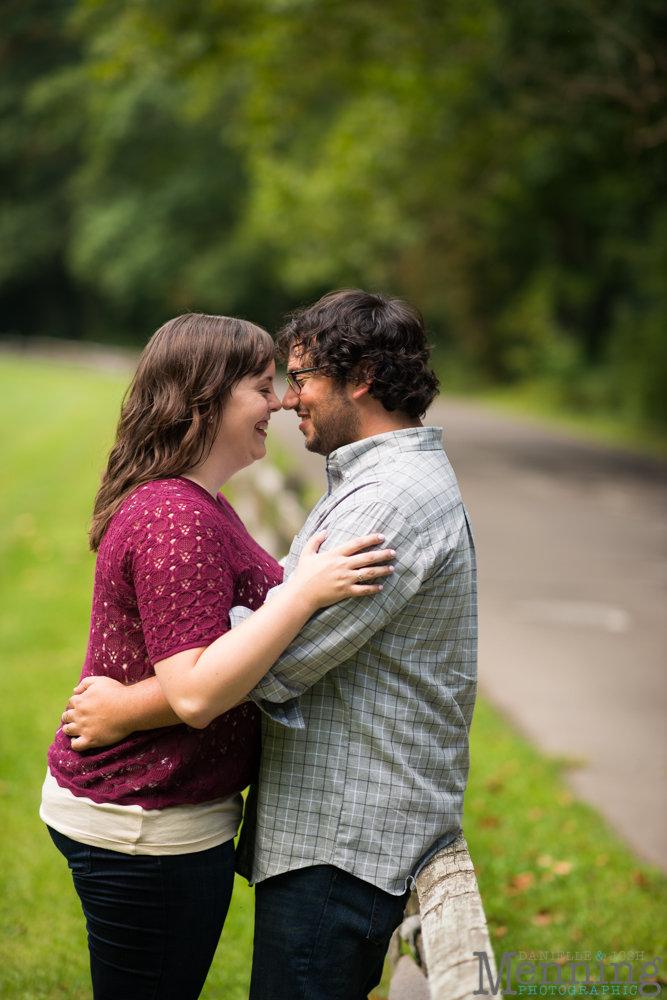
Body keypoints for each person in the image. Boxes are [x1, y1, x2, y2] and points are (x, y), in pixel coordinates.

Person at [64, 290, 478, 1000]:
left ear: (362, 379)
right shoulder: (364, 483)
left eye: (299, 377)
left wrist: (129, 706)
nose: (288, 401)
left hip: (342, 834)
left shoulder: (384, 504)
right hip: (313, 827)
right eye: (269, 385)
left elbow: (264, 663)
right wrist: (286, 597)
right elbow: (246, 640)